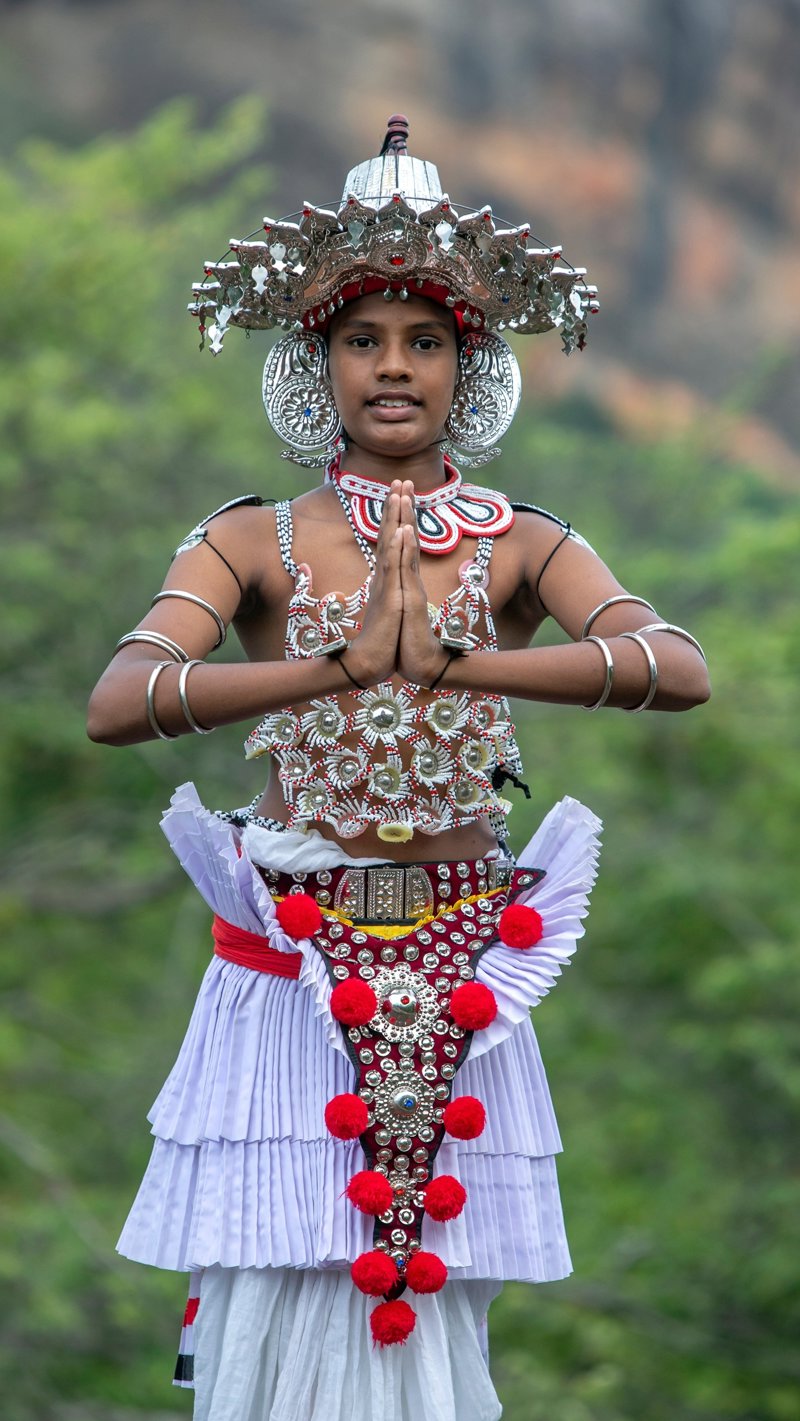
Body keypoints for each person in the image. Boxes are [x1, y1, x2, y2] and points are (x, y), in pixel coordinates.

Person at [88, 116, 710, 1421]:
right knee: (281, 1294)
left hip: (462, 970)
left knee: (429, 1318)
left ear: (469, 369)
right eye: (362, 339)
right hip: (291, 968)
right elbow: (123, 699)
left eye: (425, 341)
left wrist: (454, 666)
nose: (392, 366)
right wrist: (332, 668)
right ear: (316, 365)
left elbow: (674, 661)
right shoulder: (249, 539)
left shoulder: (528, 542)